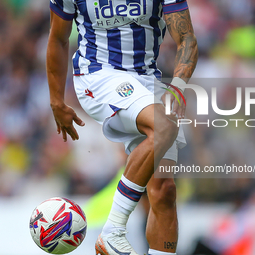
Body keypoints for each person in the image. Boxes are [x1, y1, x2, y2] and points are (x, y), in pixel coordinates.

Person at [46, 0, 198, 254]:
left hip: (148, 82)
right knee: (163, 125)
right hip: (98, 76)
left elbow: (187, 38)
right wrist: (56, 100)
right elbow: (58, 38)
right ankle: (112, 231)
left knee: (164, 191)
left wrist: (178, 88)